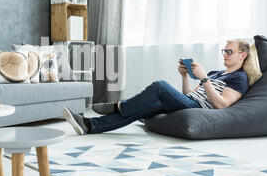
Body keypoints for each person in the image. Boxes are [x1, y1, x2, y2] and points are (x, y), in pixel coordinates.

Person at [63, 39, 251, 135]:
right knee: (142, 109)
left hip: (199, 109)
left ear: (242, 55)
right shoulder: (215, 73)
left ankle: (118, 105)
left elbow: (222, 105)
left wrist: (203, 79)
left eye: (229, 51)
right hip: (190, 102)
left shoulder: (239, 78)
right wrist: (185, 76)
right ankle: (90, 125)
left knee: (160, 85)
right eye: (224, 51)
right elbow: (188, 94)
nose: (225, 54)